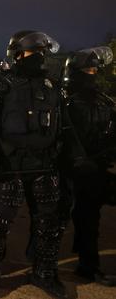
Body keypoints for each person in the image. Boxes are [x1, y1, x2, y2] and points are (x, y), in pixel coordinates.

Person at [0, 30, 81, 298]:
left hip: (44, 165)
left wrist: (72, 157)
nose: (40, 58)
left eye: (42, 53)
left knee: (48, 222)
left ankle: (43, 272)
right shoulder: (1, 83)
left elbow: (63, 125)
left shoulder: (52, 86)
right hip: (10, 164)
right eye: (34, 53)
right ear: (18, 54)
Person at [63, 46, 116, 286]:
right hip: (75, 170)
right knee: (79, 219)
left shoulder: (103, 100)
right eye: (87, 69)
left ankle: (88, 264)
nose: (92, 73)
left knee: (90, 219)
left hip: (99, 166)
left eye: (95, 69)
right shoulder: (66, 101)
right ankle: (83, 265)